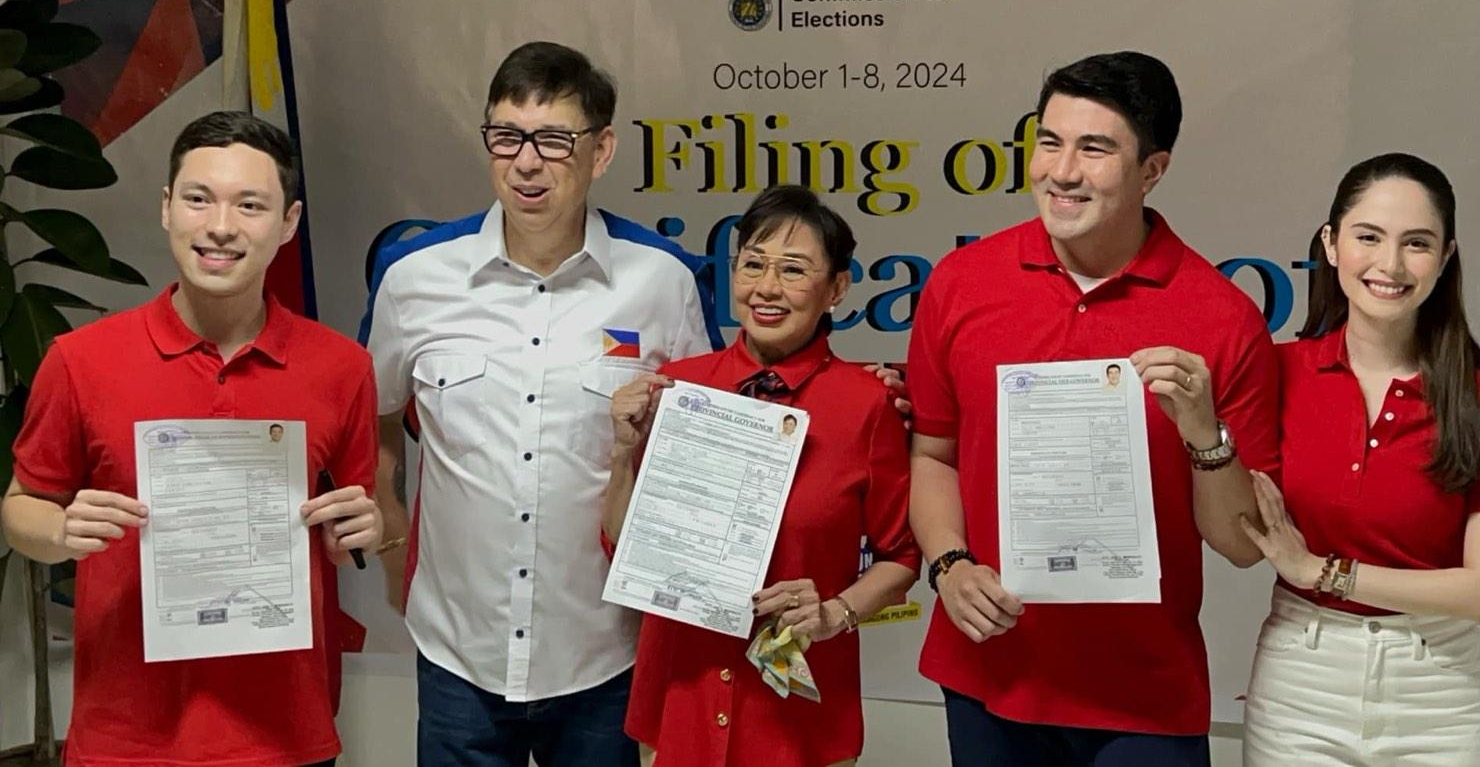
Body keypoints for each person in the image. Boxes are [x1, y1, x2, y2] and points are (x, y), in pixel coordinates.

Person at [905, 51, 1280, 766]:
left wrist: (1204, 432)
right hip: (990, 673)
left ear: (1153, 169)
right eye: (1049, 142)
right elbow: (932, 455)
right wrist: (950, 564)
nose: (1062, 171)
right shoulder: (961, 284)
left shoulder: (1221, 319)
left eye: (1095, 149)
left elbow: (1240, 544)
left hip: (1142, 696)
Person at [359, 42, 721, 766]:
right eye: (507, 137)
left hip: (604, 651)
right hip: (458, 649)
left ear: (602, 149)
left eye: (554, 139)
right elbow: (373, 418)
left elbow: (702, 451)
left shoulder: (663, 282)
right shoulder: (414, 277)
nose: (527, 162)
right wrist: (395, 539)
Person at [0, 111, 381, 767]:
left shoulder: (342, 368)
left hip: (285, 736)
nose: (221, 226)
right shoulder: (80, 360)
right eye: (199, 199)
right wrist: (60, 530)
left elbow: (355, 541)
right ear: (168, 208)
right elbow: (19, 508)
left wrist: (366, 533)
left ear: (288, 223)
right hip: (127, 739)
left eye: (250, 205)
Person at [603, 184, 919, 767]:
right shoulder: (678, 387)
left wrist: (834, 612)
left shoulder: (868, 404)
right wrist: (624, 453)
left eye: (794, 270)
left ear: (837, 289)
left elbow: (901, 557)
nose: (767, 288)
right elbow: (624, 544)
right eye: (753, 264)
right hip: (682, 704)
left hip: (798, 722)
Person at [1239, 153, 1480, 765]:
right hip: (1302, 686)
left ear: (1447, 256)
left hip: (1444, 693)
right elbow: (1235, 528)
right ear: (1330, 243)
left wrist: (1321, 571)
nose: (1390, 265)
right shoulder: (1276, 374)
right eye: (1368, 237)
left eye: (1417, 243)